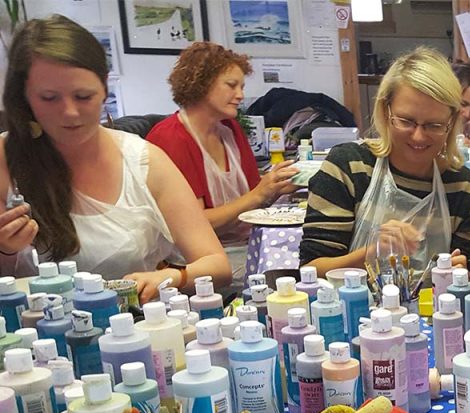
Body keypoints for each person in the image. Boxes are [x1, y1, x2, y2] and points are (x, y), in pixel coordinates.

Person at [0, 15, 230, 302]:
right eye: (49, 98)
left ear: (104, 88)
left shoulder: (143, 161)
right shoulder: (5, 160)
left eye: (83, 96)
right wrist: (6, 251)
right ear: (24, 98)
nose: (70, 112)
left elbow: (217, 265)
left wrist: (169, 276)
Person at [299, 47, 470, 278]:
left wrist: (461, 271)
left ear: (452, 121)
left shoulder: (465, 188)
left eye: (433, 125)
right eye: (406, 121)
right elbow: (310, 271)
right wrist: (372, 253)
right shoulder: (348, 168)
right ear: (386, 112)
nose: (418, 136)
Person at [147, 42, 299, 284]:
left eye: (241, 86)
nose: (240, 95)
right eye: (231, 85)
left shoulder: (229, 129)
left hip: (245, 246)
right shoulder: (170, 138)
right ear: (201, 84)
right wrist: (259, 194)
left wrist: (277, 187)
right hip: (198, 263)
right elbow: (196, 225)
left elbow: (251, 197)